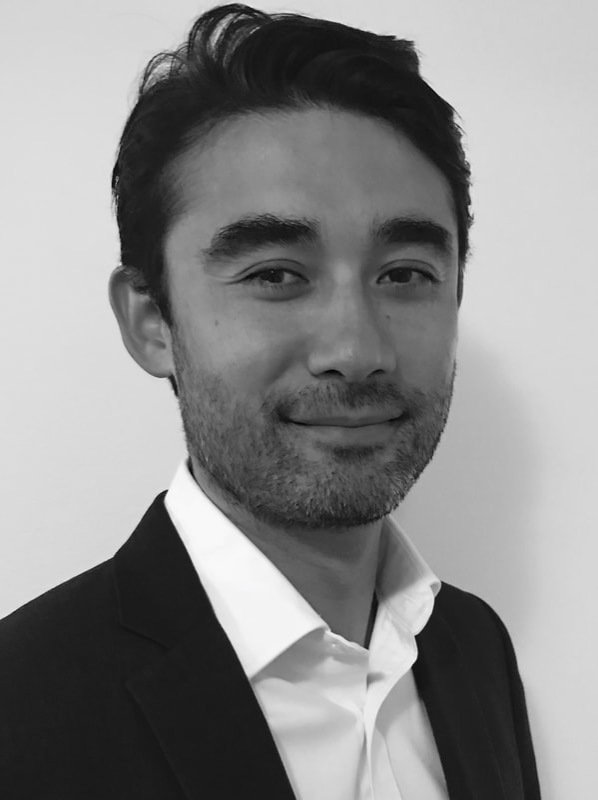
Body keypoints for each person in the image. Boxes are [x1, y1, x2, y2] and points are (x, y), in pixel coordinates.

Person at [0, 3, 541, 798]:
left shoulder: (474, 647)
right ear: (152, 321)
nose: (356, 351)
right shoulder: (22, 710)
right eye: (276, 275)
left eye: (405, 274)